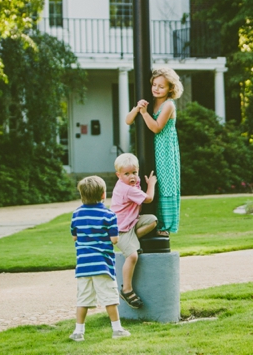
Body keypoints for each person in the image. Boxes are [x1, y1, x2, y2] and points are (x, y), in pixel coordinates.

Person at [69, 176, 130, 341]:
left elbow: (75, 237)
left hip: (83, 265)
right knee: (110, 298)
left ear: (82, 195)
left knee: (83, 299)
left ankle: (78, 332)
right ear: (103, 194)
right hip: (102, 264)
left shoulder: (76, 214)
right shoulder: (109, 214)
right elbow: (114, 239)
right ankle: (117, 329)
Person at [125, 67, 182, 237]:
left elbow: (157, 128)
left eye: (161, 86)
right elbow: (128, 121)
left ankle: (165, 226)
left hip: (165, 148)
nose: (156, 89)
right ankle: (146, 220)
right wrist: (137, 109)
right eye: (154, 85)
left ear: (170, 88)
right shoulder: (149, 100)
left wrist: (144, 113)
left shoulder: (168, 105)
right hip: (152, 148)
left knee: (164, 183)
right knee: (148, 181)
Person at [110, 153, 158, 309]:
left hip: (131, 222)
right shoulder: (126, 189)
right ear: (119, 175)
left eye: (134, 173)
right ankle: (126, 289)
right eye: (127, 174)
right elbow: (149, 198)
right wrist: (151, 184)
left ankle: (132, 241)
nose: (132, 177)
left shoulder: (132, 183)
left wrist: (138, 181)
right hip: (121, 229)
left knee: (152, 220)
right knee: (132, 256)